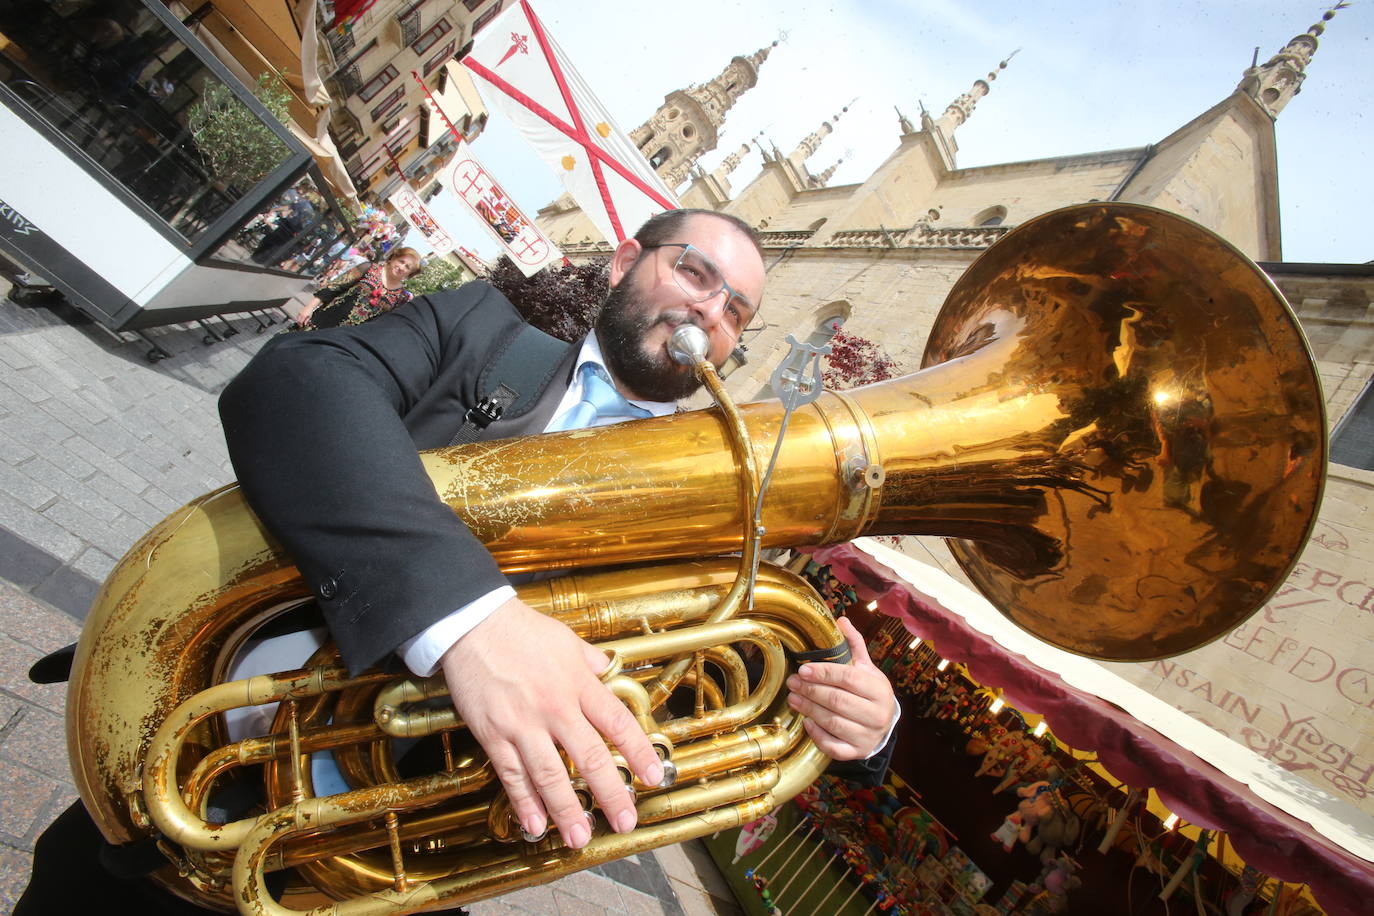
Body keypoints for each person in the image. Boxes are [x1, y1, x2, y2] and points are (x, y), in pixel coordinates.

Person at [17, 209, 895, 913]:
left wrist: (865, 727)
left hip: (408, 852)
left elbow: (748, 659)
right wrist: (472, 621)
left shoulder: (732, 486)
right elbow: (296, 382)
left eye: (736, 308)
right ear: (627, 261)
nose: (711, 310)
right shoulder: (485, 330)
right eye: (693, 272)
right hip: (215, 775)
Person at [292, 245, 422, 330]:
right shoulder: (368, 268)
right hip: (320, 321)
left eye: (407, 267)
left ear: (410, 274)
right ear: (393, 258)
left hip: (344, 340)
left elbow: (381, 325)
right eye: (401, 261)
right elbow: (335, 286)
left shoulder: (401, 297)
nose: (402, 267)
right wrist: (309, 307)